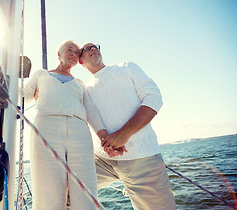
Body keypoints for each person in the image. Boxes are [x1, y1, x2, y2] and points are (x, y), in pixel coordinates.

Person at [79, 43, 177, 210]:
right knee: (66, 191)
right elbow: (92, 118)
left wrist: (124, 133)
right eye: (87, 49)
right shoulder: (84, 89)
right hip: (103, 160)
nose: (94, 49)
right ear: (80, 61)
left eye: (96, 46)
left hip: (142, 158)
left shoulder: (126, 67)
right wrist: (107, 144)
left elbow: (153, 98)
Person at [23, 40, 106, 210]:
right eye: (70, 50)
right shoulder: (41, 74)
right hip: (46, 129)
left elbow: (91, 113)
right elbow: (24, 96)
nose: (74, 54)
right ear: (59, 54)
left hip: (79, 132)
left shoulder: (80, 83)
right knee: (48, 192)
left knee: (86, 188)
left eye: (77, 52)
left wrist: (106, 139)